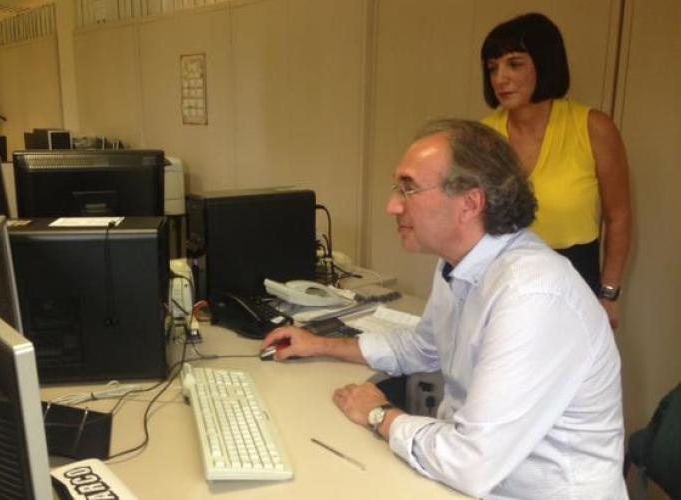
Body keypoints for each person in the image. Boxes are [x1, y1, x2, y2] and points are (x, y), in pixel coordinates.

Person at [262, 119, 627, 499]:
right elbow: (423, 347)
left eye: (409, 188)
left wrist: (380, 414)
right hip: (478, 480)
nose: (392, 205)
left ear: (470, 203)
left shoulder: (533, 296)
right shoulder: (460, 262)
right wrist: (321, 344)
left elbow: (471, 463)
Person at [480, 13, 631, 329]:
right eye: (493, 68)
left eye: (514, 64)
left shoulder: (593, 127)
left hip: (575, 275)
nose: (500, 78)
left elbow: (618, 216)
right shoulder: (483, 137)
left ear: (545, 63)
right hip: (500, 276)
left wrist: (609, 294)